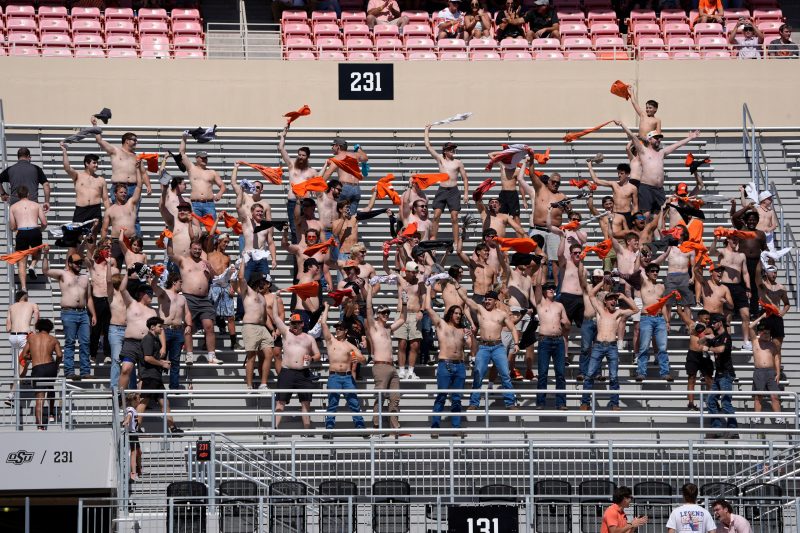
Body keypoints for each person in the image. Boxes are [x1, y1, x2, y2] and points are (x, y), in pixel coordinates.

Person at [616, 120, 699, 217]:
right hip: (646, 187)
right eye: (656, 138)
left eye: (659, 138)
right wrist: (622, 124)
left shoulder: (661, 153)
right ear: (649, 139)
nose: (658, 140)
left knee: (659, 216)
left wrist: (690, 138)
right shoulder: (643, 151)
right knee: (646, 215)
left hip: (659, 189)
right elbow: (632, 136)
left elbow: (677, 145)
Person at [458, 286, 518, 410]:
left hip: (498, 346)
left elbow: (513, 328)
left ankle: (510, 403)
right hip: (483, 347)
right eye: (486, 299)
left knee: (505, 374)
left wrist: (516, 343)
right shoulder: (480, 309)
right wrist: (457, 286)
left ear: (496, 301)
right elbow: (465, 299)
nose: (487, 301)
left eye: (490, 299)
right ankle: (474, 403)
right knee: (478, 374)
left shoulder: (502, 314)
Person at [581, 283, 638, 411]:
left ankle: (614, 404)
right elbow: (591, 294)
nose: (613, 301)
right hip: (598, 345)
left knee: (613, 377)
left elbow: (636, 310)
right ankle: (585, 403)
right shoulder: (600, 311)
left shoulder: (618, 313)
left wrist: (624, 298)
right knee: (589, 375)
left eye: (615, 299)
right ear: (605, 302)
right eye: (611, 299)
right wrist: (602, 282)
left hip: (612, 346)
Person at [43, 248, 96, 380]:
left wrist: (93, 314)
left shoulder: (85, 277)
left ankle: (85, 371)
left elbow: (89, 298)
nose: (78, 265)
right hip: (69, 312)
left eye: (80, 263)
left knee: (85, 342)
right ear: (70, 263)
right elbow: (45, 271)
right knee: (70, 342)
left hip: (83, 313)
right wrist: (45, 255)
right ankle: (69, 371)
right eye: (76, 263)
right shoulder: (63, 274)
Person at [270, 298, 321, 431]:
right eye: (293, 323)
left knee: (306, 403)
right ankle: (274, 429)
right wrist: (275, 298)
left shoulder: (309, 338)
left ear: (302, 324)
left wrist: (311, 358)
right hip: (287, 372)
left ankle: (307, 431)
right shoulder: (286, 332)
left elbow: (318, 355)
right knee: (280, 402)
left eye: (297, 323)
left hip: (304, 373)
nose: (295, 325)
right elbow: (275, 317)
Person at [91, 121, 150, 233]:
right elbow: (100, 141)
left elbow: (143, 173)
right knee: (117, 215)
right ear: (127, 140)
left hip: (133, 188)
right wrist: (95, 126)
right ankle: (118, 238)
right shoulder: (115, 151)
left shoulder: (136, 157)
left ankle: (136, 240)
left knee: (134, 216)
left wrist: (148, 185)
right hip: (118, 187)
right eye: (134, 140)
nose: (136, 142)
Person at [424, 287, 469, 433]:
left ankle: (456, 427)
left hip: (460, 365)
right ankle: (435, 426)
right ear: (450, 314)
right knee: (442, 396)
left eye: (460, 314)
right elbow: (428, 308)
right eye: (456, 313)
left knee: (457, 398)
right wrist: (428, 289)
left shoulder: (463, 330)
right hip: (445, 364)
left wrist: (471, 336)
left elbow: (472, 347)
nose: (458, 316)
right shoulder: (441, 325)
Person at [170, 239, 221, 365]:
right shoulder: (183, 260)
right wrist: (169, 238)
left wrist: (210, 268)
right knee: (189, 326)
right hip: (189, 297)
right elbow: (170, 254)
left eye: (199, 249)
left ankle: (212, 356)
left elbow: (216, 278)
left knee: (209, 326)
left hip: (204, 299)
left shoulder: (205, 262)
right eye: (195, 249)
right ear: (190, 249)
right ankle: (189, 355)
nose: (197, 251)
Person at [320, 304, 367, 435]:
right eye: (336, 328)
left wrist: (358, 359)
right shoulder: (331, 341)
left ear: (346, 331)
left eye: (340, 329)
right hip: (334, 376)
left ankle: (360, 428)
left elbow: (363, 359)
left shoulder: (350, 346)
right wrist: (326, 308)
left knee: (354, 403)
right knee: (332, 404)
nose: (338, 330)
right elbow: (323, 323)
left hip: (347, 377)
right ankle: (329, 429)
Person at [365, 283, 406, 431]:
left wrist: (404, 302)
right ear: (378, 314)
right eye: (384, 313)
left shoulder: (388, 328)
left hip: (391, 366)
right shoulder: (374, 326)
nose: (387, 315)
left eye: (388, 312)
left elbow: (402, 319)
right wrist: (370, 291)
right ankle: (377, 426)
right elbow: (368, 309)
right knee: (380, 396)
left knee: (395, 397)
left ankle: (394, 427)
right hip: (380, 365)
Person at [135, 316, 183, 435]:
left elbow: (152, 358)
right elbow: (147, 358)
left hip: (155, 376)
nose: (162, 329)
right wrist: (162, 363)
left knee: (164, 403)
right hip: (149, 376)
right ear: (152, 327)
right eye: (160, 326)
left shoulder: (154, 339)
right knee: (144, 401)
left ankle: (172, 428)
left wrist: (162, 362)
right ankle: (135, 427)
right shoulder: (148, 339)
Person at [423, 126, 469, 247]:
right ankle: (433, 240)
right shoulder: (440, 159)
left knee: (454, 217)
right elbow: (428, 146)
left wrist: (465, 193)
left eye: (453, 148)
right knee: (436, 215)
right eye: (450, 149)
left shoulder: (458, 162)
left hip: (453, 191)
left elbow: (465, 178)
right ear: (445, 151)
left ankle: (456, 242)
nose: (452, 150)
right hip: (442, 189)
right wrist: (427, 130)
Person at [709, 234, 752, 349]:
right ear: (728, 239)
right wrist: (715, 239)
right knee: (727, 317)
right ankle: (727, 341)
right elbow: (711, 252)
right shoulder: (723, 251)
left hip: (739, 286)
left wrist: (748, 287)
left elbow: (745, 273)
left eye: (737, 239)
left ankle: (746, 341)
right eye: (733, 239)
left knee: (746, 315)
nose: (736, 241)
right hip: (725, 285)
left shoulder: (741, 255)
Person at [532, 282, 570, 409]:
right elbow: (537, 286)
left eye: (553, 288)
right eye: (549, 288)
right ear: (544, 291)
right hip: (544, 341)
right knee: (543, 373)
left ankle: (561, 403)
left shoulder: (559, 305)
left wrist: (565, 322)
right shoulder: (540, 304)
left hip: (558, 341)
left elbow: (568, 325)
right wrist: (540, 269)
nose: (552, 290)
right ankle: (540, 403)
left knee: (560, 374)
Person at [152, 273, 192, 390]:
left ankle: (174, 387)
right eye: (180, 282)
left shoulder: (182, 298)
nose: (182, 285)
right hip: (164, 330)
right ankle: (156, 387)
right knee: (160, 358)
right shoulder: (163, 293)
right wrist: (156, 275)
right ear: (174, 282)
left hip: (178, 330)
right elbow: (153, 285)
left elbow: (187, 313)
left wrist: (189, 325)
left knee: (175, 360)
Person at [278, 126, 318, 243]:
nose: (300, 157)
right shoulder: (292, 165)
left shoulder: (312, 172)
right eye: (299, 154)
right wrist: (283, 136)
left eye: (303, 155)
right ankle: (297, 253)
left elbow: (319, 187)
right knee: (294, 228)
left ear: (307, 157)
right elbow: (281, 148)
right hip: (292, 201)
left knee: (308, 228)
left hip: (306, 203)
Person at [20, 318, 62, 430]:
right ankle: (51, 414)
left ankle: (40, 426)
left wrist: (33, 356)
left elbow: (24, 355)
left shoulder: (31, 338)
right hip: (50, 367)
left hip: (38, 368)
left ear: (38, 327)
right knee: (51, 387)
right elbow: (59, 355)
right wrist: (56, 365)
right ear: (50, 328)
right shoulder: (53, 339)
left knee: (39, 397)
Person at [237, 262, 272, 390]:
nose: (264, 283)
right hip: (250, 326)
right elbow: (241, 278)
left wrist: (272, 329)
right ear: (257, 281)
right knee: (251, 356)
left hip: (262, 327)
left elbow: (265, 317)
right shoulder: (248, 292)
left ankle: (263, 384)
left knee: (269, 353)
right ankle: (249, 386)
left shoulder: (262, 297)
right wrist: (243, 261)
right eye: (262, 281)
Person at [635, 263, 673, 382]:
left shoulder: (661, 286)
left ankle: (665, 372)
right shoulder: (644, 283)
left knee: (662, 347)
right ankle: (641, 372)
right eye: (652, 271)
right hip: (646, 318)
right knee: (644, 347)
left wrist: (667, 321)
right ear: (647, 273)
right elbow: (636, 270)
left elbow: (663, 305)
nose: (655, 273)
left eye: (657, 271)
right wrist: (638, 254)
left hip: (660, 318)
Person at [60, 143, 109, 235]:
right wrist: (64, 151)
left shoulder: (101, 180)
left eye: (97, 163)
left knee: (92, 238)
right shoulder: (78, 176)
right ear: (87, 163)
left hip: (95, 210)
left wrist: (109, 214)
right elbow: (67, 168)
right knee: (76, 238)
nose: (96, 165)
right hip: (81, 210)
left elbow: (105, 199)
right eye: (94, 163)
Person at [101, 169, 144, 268]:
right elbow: (104, 229)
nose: (124, 194)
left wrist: (138, 170)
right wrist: (103, 245)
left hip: (131, 242)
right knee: (114, 269)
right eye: (121, 192)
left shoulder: (131, 204)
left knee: (135, 269)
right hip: (116, 242)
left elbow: (139, 186)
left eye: (125, 192)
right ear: (115, 193)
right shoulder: (110, 210)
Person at [704, 314, 738, 439]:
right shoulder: (716, 338)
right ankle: (717, 429)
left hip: (726, 374)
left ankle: (733, 430)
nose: (712, 325)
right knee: (710, 401)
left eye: (714, 322)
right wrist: (704, 335)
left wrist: (709, 348)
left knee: (726, 403)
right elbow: (699, 342)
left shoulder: (726, 337)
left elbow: (721, 350)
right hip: (718, 375)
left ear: (720, 322)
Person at [8, 185, 47, 290]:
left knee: (21, 262)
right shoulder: (36, 205)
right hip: (34, 230)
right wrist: (40, 230)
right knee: (37, 252)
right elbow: (44, 222)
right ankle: (32, 265)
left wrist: (17, 228)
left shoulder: (13, 207)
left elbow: (12, 227)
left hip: (22, 232)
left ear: (17, 195)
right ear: (28, 194)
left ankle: (24, 287)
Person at [5, 290, 39, 404]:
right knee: (22, 367)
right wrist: (33, 329)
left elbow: (8, 328)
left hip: (13, 337)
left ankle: (16, 383)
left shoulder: (11, 307)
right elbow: (36, 317)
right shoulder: (32, 305)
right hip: (24, 336)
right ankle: (11, 394)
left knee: (23, 366)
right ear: (26, 297)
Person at [748, 315, 784, 425]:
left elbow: (777, 358)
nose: (766, 335)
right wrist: (761, 317)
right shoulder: (755, 341)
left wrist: (778, 373)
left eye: (768, 333)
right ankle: (757, 417)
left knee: (775, 396)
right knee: (758, 396)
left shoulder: (773, 345)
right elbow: (750, 327)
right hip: (759, 371)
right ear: (760, 333)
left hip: (771, 372)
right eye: (764, 333)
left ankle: (778, 418)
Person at [587, 159, 638, 234]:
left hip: (627, 214)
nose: (619, 175)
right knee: (614, 235)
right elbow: (596, 180)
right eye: (618, 173)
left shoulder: (633, 188)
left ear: (627, 174)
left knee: (628, 236)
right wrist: (589, 165)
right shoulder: (614, 184)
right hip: (615, 214)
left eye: (622, 173)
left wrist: (634, 218)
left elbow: (635, 206)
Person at [179, 134, 226, 217]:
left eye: (206, 158)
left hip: (209, 204)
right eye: (202, 158)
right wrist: (184, 138)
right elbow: (182, 153)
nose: (205, 159)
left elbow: (222, 186)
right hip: (194, 204)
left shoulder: (212, 172)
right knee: (194, 225)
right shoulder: (191, 168)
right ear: (197, 158)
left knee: (211, 225)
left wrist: (219, 194)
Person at [677, 308, 713, 411]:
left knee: (709, 379)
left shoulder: (710, 329)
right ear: (699, 318)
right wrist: (678, 301)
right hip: (693, 355)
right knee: (691, 378)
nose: (707, 320)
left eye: (708, 319)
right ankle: (691, 403)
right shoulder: (692, 324)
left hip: (704, 355)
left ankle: (711, 403)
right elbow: (680, 312)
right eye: (705, 318)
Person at [393, 261, 425, 379]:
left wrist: (421, 311)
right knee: (402, 343)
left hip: (414, 314)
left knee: (415, 344)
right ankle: (401, 370)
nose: (415, 274)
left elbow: (424, 298)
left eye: (416, 272)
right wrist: (385, 257)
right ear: (406, 271)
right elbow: (387, 269)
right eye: (412, 272)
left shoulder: (419, 282)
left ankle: (411, 371)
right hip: (402, 313)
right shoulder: (401, 280)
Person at [321, 137, 368, 214]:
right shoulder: (355, 155)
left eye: (333, 146)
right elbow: (365, 158)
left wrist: (318, 186)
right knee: (352, 217)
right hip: (356, 189)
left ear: (338, 147)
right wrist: (359, 149)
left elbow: (328, 174)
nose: (332, 148)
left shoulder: (337, 158)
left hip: (344, 188)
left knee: (339, 215)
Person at [123, 392, 143, 481]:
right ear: (134, 400)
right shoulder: (130, 409)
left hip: (135, 434)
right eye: (138, 398)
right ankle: (133, 473)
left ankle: (139, 469)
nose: (139, 400)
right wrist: (127, 420)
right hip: (132, 434)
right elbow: (129, 415)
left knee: (139, 452)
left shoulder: (133, 409)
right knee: (133, 454)